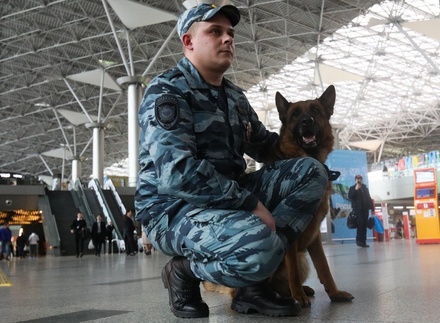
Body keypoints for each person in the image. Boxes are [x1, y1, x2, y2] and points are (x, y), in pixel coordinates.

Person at [135, 3, 328, 319]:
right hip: (172, 209)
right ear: (189, 42)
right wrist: (252, 204)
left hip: (230, 198)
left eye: (230, 33)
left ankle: (253, 284)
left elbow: (268, 148)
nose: (227, 39)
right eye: (215, 32)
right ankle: (183, 271)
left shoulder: (235, 98)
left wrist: (309, 138)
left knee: (312, 173)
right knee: (260, 245)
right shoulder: (168, 91)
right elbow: (177, 174)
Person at [348, 175, 374, 247]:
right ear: (355, 180)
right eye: (357, 179)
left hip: (365, 209)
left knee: (364, 224)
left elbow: (369, 198)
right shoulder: (352, 188)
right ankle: (359, 240)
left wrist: (372, 209)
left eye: (360, 179)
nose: (359, 180)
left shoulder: (365, 188)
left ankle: (363, 241)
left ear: (362, 180)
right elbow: (350, 196)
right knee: (361, 223)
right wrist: (356, 189)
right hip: (357, 209)